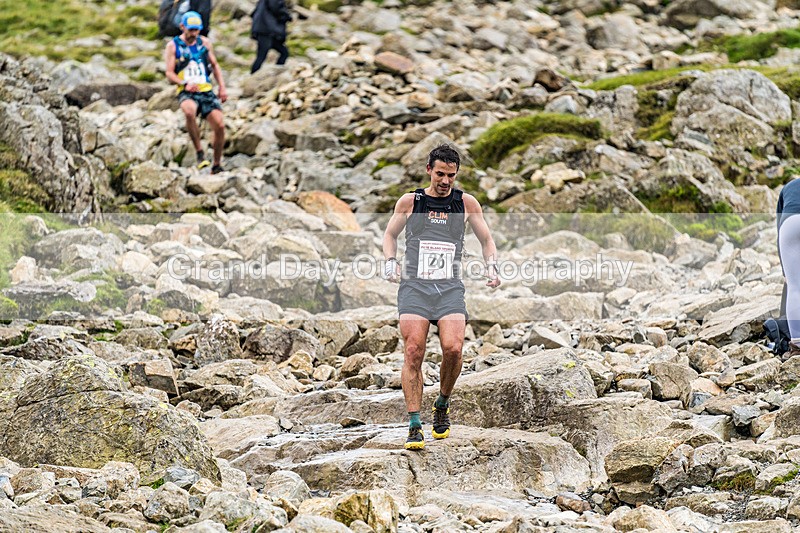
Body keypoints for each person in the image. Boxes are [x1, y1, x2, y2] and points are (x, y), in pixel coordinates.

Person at [383, 144, 501, 450]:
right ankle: (414, 424)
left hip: (448, 288)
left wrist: (492, 267)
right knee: (413, 351)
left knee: (453, 349)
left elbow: (487, 239)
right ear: (428, 170)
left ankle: (442, 403)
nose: (445, 181)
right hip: (415, 288)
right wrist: (389, 261)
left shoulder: (466, 203)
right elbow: (389, 235)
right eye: (440, 174)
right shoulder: (411, 201)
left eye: (451, 175)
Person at [164, 11, 228, 174]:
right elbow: (169, 73)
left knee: (220, 125)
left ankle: (216, 163)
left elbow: (214, 65)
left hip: (205, 90)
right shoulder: (173, 46)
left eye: (196, 29)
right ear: (182, 27)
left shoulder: (204, 43)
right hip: (187, 90)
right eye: (191, 29)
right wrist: (184, 83)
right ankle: (199, 151)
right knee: (189, 111)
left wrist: (222, 87)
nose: (194, 33)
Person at [777, 178, 800, 357]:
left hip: (790, 224)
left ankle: (797, 345)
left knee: (795, 287)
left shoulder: (789, 186)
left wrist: (785, 270)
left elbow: (780, 226)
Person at [250, 0, 291, 73]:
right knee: (261, 56)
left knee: (284, 52)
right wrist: (287, 16)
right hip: (267, 30)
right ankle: (253, 76)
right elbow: (276, 8)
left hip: (265, 29)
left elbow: (253, 13)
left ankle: (276, 73)